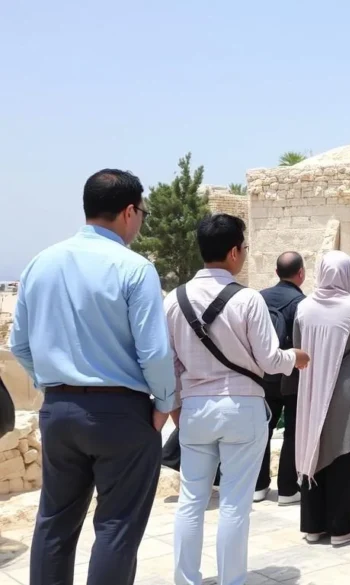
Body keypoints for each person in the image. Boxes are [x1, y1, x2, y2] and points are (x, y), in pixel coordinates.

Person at [10, 169, 175, 585]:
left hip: (60, 411)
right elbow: (154, 352)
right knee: (117, 528)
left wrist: (52, 385)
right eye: (142, 212)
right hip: (122, 413)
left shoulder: (39, 263)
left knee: (54, 525)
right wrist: (163, 403)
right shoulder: (135, 268)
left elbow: (20, 345)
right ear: (128, 211)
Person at [165, 213, 310, 585]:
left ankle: (186, 579)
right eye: (244, 248)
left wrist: (177, 405)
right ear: (233, 252)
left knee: (191, 501)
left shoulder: (174, 299)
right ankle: (232, 580)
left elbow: (170, 363)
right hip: (242, 406)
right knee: (234, 504)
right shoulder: (247, 299)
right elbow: (268, 359)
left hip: (195, 408)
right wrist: (295, 357)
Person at [293, 251, 350, 544]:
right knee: (343, 457)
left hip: (312, 390)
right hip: (347, 393)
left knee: (313, 447)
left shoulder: (303, 308)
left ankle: (313, 525)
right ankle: (341, 527)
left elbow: (297, 350)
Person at [256, 252, 306, 505]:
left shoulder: (258, 298)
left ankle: (258, 485)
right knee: (293, 432)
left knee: (261, 429)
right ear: (301, 273)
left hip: (262, 375)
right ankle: (287, 489)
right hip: (292, 376)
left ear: (276, 273)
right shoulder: (302, 303)